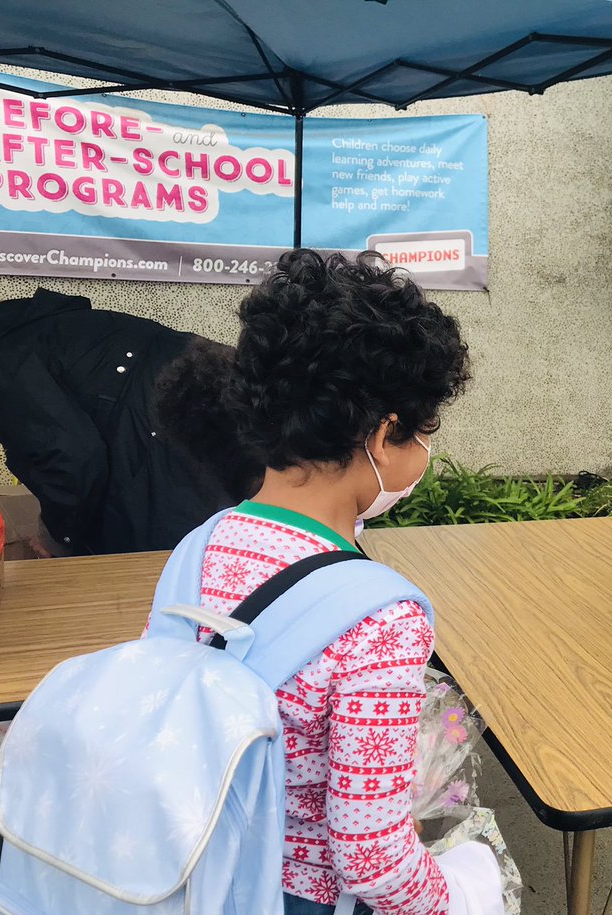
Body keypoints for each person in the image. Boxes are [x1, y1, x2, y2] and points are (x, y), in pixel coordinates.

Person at [168, 249, 493, 914]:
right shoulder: (381, 619)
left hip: (184, 866)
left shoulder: (198, 546)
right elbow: (372, 858)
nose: (426, 452)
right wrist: (462, 896)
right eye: (424, 432)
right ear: (383, 436)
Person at [0, 287, 258, 554]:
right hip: (221, 388)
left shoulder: (5, 356)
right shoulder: (41, 326)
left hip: (161, 427)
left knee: (177, 568)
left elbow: (72, 460)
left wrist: (58, 536)